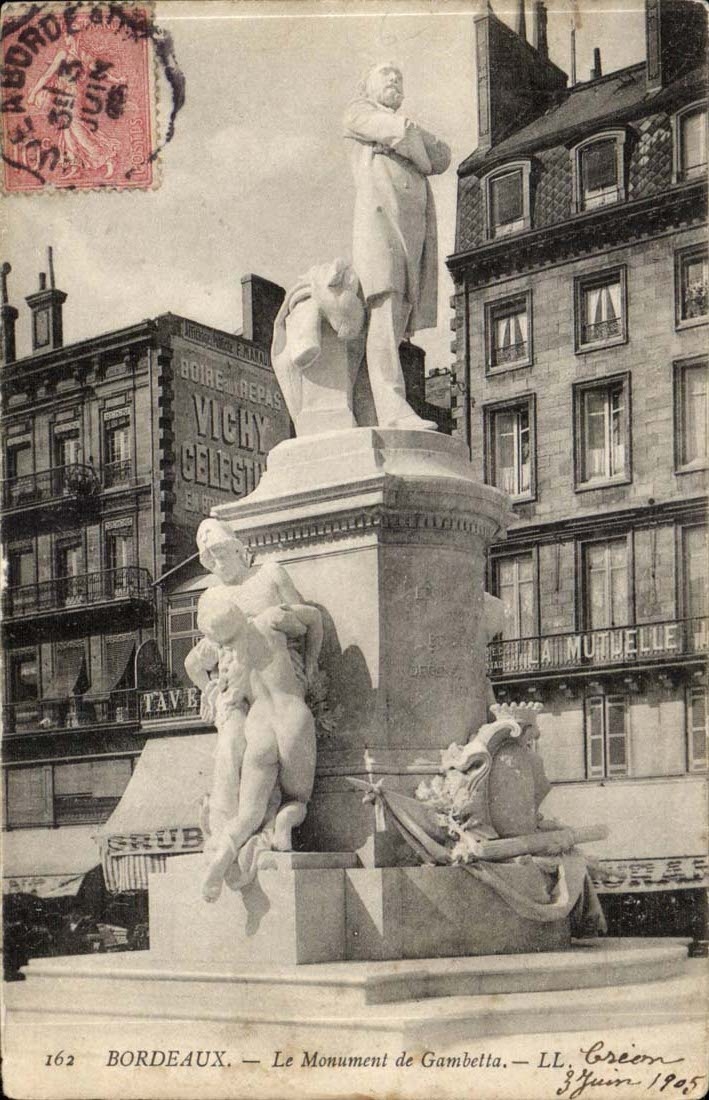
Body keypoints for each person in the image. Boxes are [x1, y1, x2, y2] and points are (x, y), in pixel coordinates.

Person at [183, 518, 323, 900]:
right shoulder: (220, 602)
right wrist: (213, 690)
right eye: (209, 557)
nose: (217, 560)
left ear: (238, 546)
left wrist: (306, 666)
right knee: (287, 790)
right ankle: (265, 828)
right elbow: (313, 621)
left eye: (221, 550)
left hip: (262, 709)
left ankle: (226, 847)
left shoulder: (270, 577)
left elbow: (306, 619)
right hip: (270, 706)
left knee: (252, 785)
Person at [344, 62, 451, 430]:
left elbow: (442, 156)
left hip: (411, 238)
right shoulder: (359, 113)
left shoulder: (395, 125)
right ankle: (392, 407)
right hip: (381, 230)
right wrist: (413, 143)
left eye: (400, 76)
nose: (394, 79)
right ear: (367, 84)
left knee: (394, 319)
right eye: (386, 74)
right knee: (385, 314)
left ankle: (366, 409)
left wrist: (411, 142)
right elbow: (402, 132)